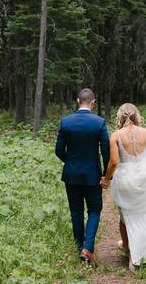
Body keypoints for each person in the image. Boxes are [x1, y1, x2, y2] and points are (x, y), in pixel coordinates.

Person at [101, 103, 146, 270]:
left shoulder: (116, 135)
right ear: (136, 116)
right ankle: (139, 252)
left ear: (119, 116)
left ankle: (129, 249)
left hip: (125, 180)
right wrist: (141, 162)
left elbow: (114, 162)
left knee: (126, 215)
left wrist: (106, 179)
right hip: (144, 178)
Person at [55, 88, 110, 263]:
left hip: (71, 175)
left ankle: (80, 246)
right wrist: (105, 174)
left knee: (76, 210)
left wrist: (70, 162)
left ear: (78, 101)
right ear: (92, 103)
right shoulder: (99, 122)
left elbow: (58, 151)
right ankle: (88, 247)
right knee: (94, 209)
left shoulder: (66, 122)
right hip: (92, 174)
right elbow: (106, 150)